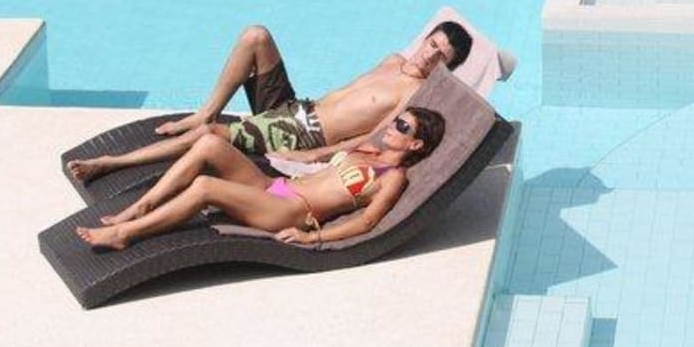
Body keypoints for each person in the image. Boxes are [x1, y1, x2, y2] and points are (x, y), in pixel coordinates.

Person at [66, 19, 472, 182]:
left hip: (303, 135)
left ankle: (111, 162)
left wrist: (315, 156)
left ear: (447, 67)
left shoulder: (414, 95)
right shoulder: (393, 60)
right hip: (296, 109)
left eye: (441, 55)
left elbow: (371, 138)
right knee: (255, 37)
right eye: (432, 43)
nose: (429, 54)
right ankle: (204, 112)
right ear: (425, 37)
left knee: (212, 135)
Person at [76, 107, 446, 250]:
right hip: (272, 188)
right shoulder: (367, 149)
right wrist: (295, 156)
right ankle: (142, 206)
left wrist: (312, 237)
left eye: (402, 127)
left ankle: (126, 233)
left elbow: (367, 222)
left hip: (291, 211)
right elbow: (319, 155)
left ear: (416, 144)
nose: (392, 127)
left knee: (205, 187)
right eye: (396, 121)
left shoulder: (393, 177)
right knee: (209, 143)